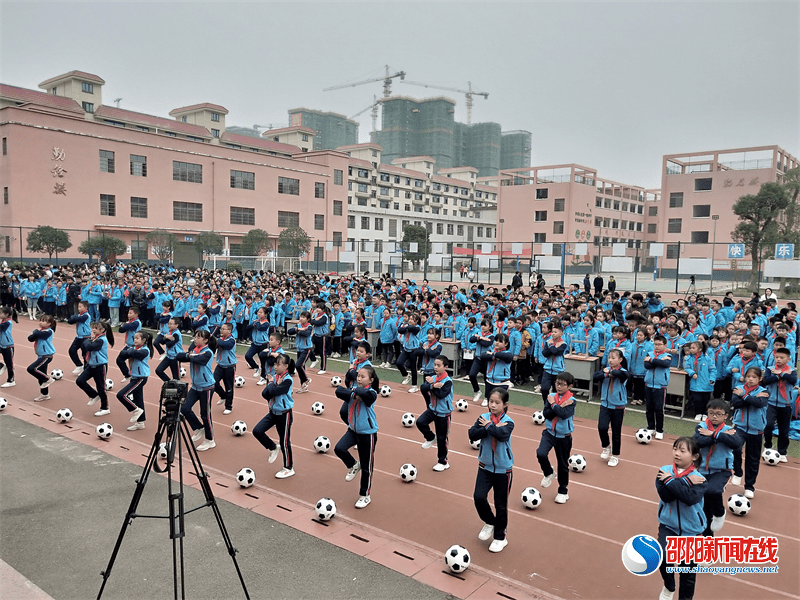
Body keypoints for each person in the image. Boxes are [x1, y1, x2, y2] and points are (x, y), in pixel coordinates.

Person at [655, 437, 707, 600]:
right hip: (668, 526)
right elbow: (666, 496)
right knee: (662, 557)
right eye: (675, 449)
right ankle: (669, 586)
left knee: (688, 572)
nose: (677, 453)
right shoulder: (664, 471)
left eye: (682, 451)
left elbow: (689, 498)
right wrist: (684, 480)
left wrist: (672, 481)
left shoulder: (700, 479)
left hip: (692, 531)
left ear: (694, 456)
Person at [469, 387, 514, 553]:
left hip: (503, 470)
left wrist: (489, 427)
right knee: (479, 497)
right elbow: (472, 434)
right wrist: (489, 426)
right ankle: (489, 521)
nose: (492, 405)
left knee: (501, 505)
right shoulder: (483, 417)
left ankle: (500, 537)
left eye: (497, 402)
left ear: (505, 404)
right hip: (485, 467)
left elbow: (502, 435)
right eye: (490, 402)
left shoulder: (509, 421)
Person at [334, 365, 380, 509]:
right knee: (339, 448)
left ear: (371, 380)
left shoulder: (372, 393)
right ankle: (353, 464)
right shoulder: (354, 390)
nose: (359, 379)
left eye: (363, 377)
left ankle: (365, 495)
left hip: (368, 433)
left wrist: (353, 391)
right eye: (358, 376)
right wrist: (354, 392)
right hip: (353, 431)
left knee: (367, 467)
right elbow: (338, 391)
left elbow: (366, 395)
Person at [693, 399, 741, 535]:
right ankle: (707, 537)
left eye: (718, 414)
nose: (714, 416)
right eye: (711, 413)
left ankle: (720, 512)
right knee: (703, 505)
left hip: (721, 471)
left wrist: (714, 434)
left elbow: (736, 443)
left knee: (712, 491)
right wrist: (719, 437)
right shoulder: (701, 427)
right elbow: (698, 441)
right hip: (701, 470)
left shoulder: (730, 430)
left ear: (726, 415)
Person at [253, 353, 295, 479]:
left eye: (278, 364)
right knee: (257, 431)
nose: (275, 366)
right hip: (273, 413)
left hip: (284, 414)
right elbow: (265, 394)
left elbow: (274, 391)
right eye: (275, 364)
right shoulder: (276, 377)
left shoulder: (287, 380)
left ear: (286, 366)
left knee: (284, 441)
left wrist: (272, 384)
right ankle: (272, 447)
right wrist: (273, 383)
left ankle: (288, 467)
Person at [730, 367, 769, 498]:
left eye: (754, 377)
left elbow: (759, 403)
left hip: (756, 429)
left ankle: (749, 486)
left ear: (760, 379)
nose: (750, 379)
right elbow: (735, 403)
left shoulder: (764, 391)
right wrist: (749, 398)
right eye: (748, 376)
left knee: (753, 459)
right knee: (735, 447)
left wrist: (744, 396)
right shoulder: (738, 388)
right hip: (739, 426)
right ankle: (738, 472)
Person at [537, 371, 575, 504]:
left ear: (569, 386)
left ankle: (563, 491)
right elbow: (546, 414)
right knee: (540, 453)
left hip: (564, 436)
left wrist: (554, 405)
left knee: (563, 464)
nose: (559, 387)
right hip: (549, 432)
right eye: (557, 383)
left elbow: (564, 415)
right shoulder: (551, 396)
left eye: (562, 384)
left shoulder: (571, 400)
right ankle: (548, 472)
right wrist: (557, 406)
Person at [178, 330, 218, 452]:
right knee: (184, 408)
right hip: (195, 386)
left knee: (205, 414)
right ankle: (198, 428)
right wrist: (190, 355)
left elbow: (200, 360)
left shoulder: (208, 352)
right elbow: (179, 356)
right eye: (195, 337)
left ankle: (210, 440)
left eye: (199, 337)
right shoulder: (196, 351)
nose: (195, 339)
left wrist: (189, 355)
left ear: (206, 340)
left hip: (207, 387)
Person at [417, 356, 453, 471]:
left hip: (443, 413)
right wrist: (433, 385)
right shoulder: (433, 378)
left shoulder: (448, 381)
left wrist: (433, 386)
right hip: (433, 410)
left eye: (439, 365)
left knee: (442, 438)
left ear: (445, 367)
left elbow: (441, 394)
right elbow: (423, 387)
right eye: (435, 365)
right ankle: (431, 437)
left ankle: (443, 461)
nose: (436, 367)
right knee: (420, 422)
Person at [593, 348, 628, 467]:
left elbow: (621, 374)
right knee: (602, 427)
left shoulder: (623, 371)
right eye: (609, 358)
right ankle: (606, 446)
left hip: (618, 406)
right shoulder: (605, 370)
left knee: (616, 431)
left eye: (613, 358)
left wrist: (609, 373)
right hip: (605, 404)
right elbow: (595, 375)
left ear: (620, 359)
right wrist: (606, 373)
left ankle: (615, 455)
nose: (610, 360)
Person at [762, 347, 797, 463]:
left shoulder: (791, 370)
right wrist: (777, 376)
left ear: (788, 359)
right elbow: (765, 381)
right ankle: (767, 445)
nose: (778, 360)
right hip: (771, 403)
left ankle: (782, 452)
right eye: (777, 357)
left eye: (782, 358)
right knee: (768, 425)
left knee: (784, 430)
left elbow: (793, 381)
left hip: (785, 405)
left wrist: (782, 374)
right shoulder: (770, 369)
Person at [115, 331, 152, 430]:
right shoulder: (134, 349)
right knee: (138, 399)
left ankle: (135, 410)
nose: (134, 340)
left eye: (137, 338)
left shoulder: (145, 350)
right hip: (134, 376)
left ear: (143, 340)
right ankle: (140, 422)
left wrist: (129, 351)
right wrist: (128, 352)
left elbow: (135, 353)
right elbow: (122, 355)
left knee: (121, 395)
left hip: (140, 378)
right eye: (134, 338)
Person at [76, 321, 114, 414]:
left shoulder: (101, 340)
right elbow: (87, 345)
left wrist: (86, 342)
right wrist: (87, 342)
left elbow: (90, 347)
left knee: (101, 387)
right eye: (93, 328)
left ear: (102, 330)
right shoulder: (94, 338)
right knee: (80, 380)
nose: (93, 330)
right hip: (91, 365)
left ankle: (105, 408)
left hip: (100, 366)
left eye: (96, 328)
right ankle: (93, 395)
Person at [644, 335, 672, 440]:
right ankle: (650, 427)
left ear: (665, 345)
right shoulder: (649, 353)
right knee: (649, 407)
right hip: (648, 384)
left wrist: (651, 360)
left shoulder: (668, 355)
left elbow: (665, 364)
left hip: (660, 385)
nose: (657, 346)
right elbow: (647, 366)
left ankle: (659, 429)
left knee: (659, 408)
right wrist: (655, 360)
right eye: (655, 344)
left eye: (660, 344)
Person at [683, 340, 716, 421]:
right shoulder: (689, 358)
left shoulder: (707, 358)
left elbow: (713, 370)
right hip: (695, 383)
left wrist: (712, 379)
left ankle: (705, 413)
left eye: (693, 348)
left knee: (706, 400)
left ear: (700, 349)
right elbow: (687, 367)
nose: (691, 349)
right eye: (691, 348)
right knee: (697, 399)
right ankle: (698, 413)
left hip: (706, 383)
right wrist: (692, 373)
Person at [27, 314, 57, 402]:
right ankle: (45, 394)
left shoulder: (49, 331)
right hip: (40, 355)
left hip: (46, 355)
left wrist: (35, 332)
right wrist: (35, 333)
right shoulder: (40, 331)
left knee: (31, 369)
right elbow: (30, 338)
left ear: (49, 324)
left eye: (43, 321)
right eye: (40, 320)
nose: (40, 322)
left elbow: (38, 334)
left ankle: (48, 379)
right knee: (41, 375)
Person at [213, 322, 237, 415]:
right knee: (213, 382)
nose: (221, 330)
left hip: (229, 367)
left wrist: (215, 340)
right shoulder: (220, 339)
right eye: (221, 329)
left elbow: (225, 345)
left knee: (229, 387)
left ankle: (228, 406)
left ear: (229, 331)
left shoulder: (231, 340)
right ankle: (223, 396)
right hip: (220, 366)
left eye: (223, 329)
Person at [116, 306, 142, 383]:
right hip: (128, 345)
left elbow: (127, 327)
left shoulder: (136, 322)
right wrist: (124, 326)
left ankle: (136, 379)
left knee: (133, 363)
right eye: (128, 313)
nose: (128, 315)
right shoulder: (129, 322)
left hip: (134, 346)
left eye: (131, 313)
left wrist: (125, 325)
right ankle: (127, 375)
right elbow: (121, 330)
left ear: (136, 314)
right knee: (119, 360)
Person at [66, 301, 91, 374]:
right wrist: (72, 318)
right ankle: (79, 365)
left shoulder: (86, 315)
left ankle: (86, 370)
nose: (79, 308)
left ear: (85, 308)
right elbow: (70, 321)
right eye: (78, 307)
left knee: (85, 354)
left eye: (80, 307)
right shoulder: (79, 315)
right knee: (71, 350)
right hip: (79, 337)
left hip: (85, 338)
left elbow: (78, 319)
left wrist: (73, 317)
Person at [155, 318, 182, 382]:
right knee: (158, 370)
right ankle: (169, 383)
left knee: (176, 378)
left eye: (171, 324)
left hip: (175, 357)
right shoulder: (169, 333)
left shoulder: (176, 334)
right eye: (168, 324)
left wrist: (165, 338)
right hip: (168, 356)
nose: (169, 325)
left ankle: (178, 389)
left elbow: (170, 344)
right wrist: (166, 337)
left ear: (176, 325)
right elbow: (161, 341)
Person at [0, 305, 18, 388]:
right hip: (1, 345)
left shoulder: (8, 323)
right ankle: (1, 366)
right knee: (7, 364)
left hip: (8, 346)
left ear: (6, 314)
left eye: (1, 313)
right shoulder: (3, 321)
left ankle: (11, 380)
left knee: (9, 364)